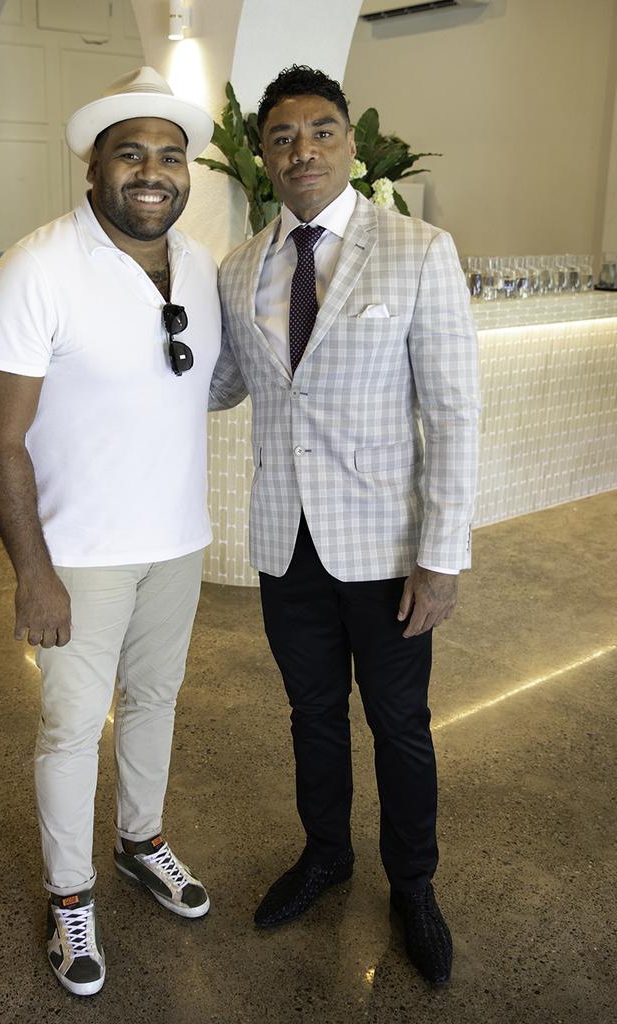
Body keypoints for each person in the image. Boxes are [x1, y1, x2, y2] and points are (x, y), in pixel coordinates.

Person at [209, 66, 480, 987]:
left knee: (400, 723)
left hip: (387, 549)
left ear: (351, 145)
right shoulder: (241, 267)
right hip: (287, 543)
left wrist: (441, 559)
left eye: (322, 131)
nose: (304, 150)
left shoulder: (416, 251)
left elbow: (452, 413)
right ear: (264, 155)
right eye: (283, 137)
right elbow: (220, 386)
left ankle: (415, 883)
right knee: (312, 715)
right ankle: (327, 852)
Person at [0, 67, 219, 997]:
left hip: (177, 542)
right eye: (130, 154)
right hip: (76, 554)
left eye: (169, 156)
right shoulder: (34, 270)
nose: (152, 172)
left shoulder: (195, 262)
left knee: (156, 702)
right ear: (93, 168)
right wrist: (32, 572)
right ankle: (69, 894)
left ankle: (140, 840)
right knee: (73, 728)